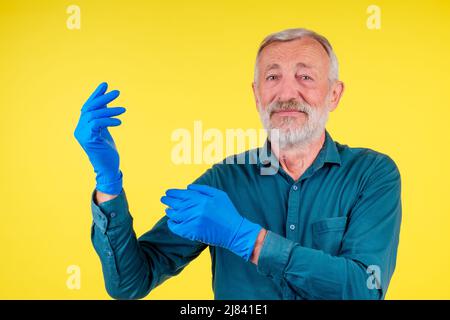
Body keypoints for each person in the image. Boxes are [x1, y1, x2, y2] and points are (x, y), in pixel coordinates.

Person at [74, 28, 402, 300]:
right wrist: (108, 184)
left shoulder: (372, 175)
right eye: (273, 77)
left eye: (305, 76)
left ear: (334, 94)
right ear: (257, 95)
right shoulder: (224, 182)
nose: (288, 92)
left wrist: (247, 239)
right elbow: (130, 283)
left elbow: (365, 289)